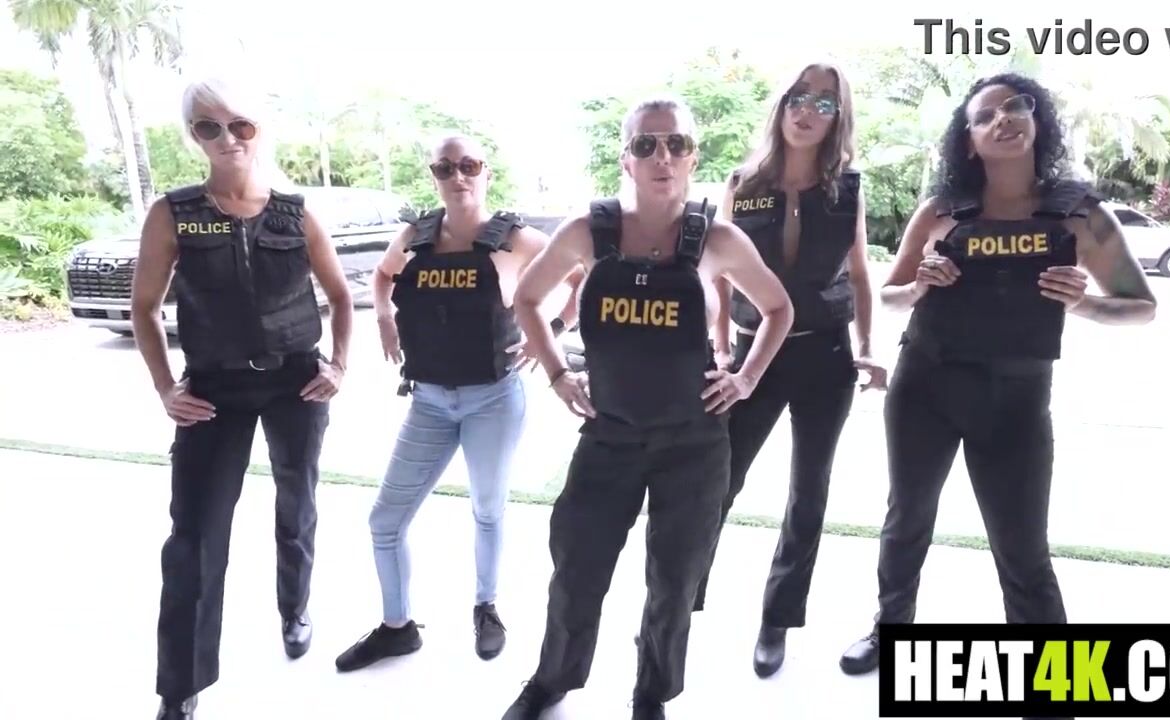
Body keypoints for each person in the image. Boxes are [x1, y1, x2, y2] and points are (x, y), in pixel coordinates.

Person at [838, 73, 1157, 679]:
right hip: (925, 386)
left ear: (1038, 121)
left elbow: (1142, 306)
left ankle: (1054, 675)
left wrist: (1083, 304)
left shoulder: (1079, 213)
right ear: (969, 140)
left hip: (1017, 398)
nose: (1003, 119)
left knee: (1022, 545)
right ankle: (890, 628)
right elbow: (892, 294)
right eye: (985, 115)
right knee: (907, 520)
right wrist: (920, 283)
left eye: (1015, 107)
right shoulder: (941, 211)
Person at [499, 96, 794, 720]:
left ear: (692, 157)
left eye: (676, 144)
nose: (662, 156)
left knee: (674, 582)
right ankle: (552, 679)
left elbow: (778, 308)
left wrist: (745, 379)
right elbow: (527, 300)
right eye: (646, 144)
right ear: (625, 159)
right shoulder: (588, 231)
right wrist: (557, 374)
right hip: (609, 437)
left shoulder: (717, 238)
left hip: (693, 445)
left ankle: (651, 692)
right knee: (576, 569)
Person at [131, 77, 353, 720]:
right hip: (213, 389)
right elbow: (144, 308)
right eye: (210, 126)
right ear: (194, 136)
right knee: (195, 535)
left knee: (297, 503)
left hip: (295, 383)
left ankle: (295, 608)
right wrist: (165, 387)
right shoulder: (174, 212)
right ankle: (181, 687)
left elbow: (342, 297)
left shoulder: (295, 212)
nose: (227, 138)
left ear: (260, 129)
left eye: (241, 124)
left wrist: (339, 366)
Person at [333, 134, 583, 672]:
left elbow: (582, 276)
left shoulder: (516, 239)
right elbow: (383, 275)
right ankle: (397, 628)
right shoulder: (415, 236)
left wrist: (551, 333)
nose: (458, 176)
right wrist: (383, 316)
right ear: (434, 176)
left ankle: (485, 607)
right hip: (427, 401)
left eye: (468, 165)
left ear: (485, 171)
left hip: (493, 399)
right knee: (384, 521)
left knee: (487, 509)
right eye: (445, 168)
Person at [692, 61, 889, 679]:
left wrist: (867, 345)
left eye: (825, 103)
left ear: (838, 117)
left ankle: (777, 618)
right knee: (718, 481)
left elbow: (859, 272)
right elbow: (718, 273)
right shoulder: (744, 182)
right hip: (752, 354)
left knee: (808, 492)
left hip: (826, 354)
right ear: (781, 105)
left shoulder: (846, 188)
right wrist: (720, 347)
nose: (808, 111)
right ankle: (680, 600)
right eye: (800, 98)